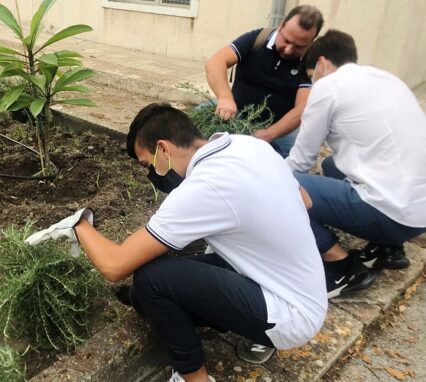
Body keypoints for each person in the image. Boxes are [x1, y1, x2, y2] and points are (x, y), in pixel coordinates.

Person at [25, 103, 328, 382]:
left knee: (151, 279)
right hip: (308, 288)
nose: (150, 174)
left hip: (290, 314)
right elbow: (306, 201)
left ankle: (192, 378)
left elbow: (115, 266)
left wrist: (80, 226)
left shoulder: (203, 187)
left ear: (163, 149)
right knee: (144, 296)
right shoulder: (248, 145)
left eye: (147, 165)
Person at [286, 30, 426, 298]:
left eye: (311, 74)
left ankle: (341, 267)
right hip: (419, 212)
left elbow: (300, 161)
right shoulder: (387, 78)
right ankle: (388, 247)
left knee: (283, 186)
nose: (312, 82)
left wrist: (260, 177)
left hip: (393, 214)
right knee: (331, 166)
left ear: (322, 64)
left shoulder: (328, 87)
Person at [204, 5, 323, 157]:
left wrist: (268, 134)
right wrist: (225, 97)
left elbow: (302, 110)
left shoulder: (309, 62)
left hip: (278, 128)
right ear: (281, 26)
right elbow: (215, 63)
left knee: (296, 159)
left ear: (311, 42)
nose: (288, 50)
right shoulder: (257, 39)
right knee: (198, 124)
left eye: (298, 46)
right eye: (286, 40)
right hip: (236, 112)